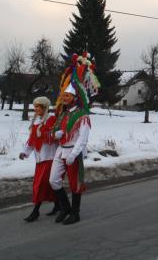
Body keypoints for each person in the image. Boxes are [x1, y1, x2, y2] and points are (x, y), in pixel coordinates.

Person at [49, 53, 100, 225]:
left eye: (67, 97)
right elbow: (56, 129)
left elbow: (83, 139)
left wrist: (74, 154)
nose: (64, 99)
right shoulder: (63, 113)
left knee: (74, 183)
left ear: (75, 98)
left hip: (72, 151)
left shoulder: (82, 116)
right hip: (60, 149)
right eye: (63, 96)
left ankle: (75, 213)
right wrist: (56, 134)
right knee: (54, 180)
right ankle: (65, 208)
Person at [19, 96, 57, 222]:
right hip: (39, 159)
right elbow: (32, 140)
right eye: (35, 106)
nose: (36, 109)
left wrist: (46, 134)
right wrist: (25, 152)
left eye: (38, 107)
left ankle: (35, 212)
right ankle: (59, 205)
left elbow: (53, 137)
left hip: (50, 158)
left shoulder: (51, 120)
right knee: (48, 184)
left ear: (45, 107)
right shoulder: (35, 121)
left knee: (40, 185)